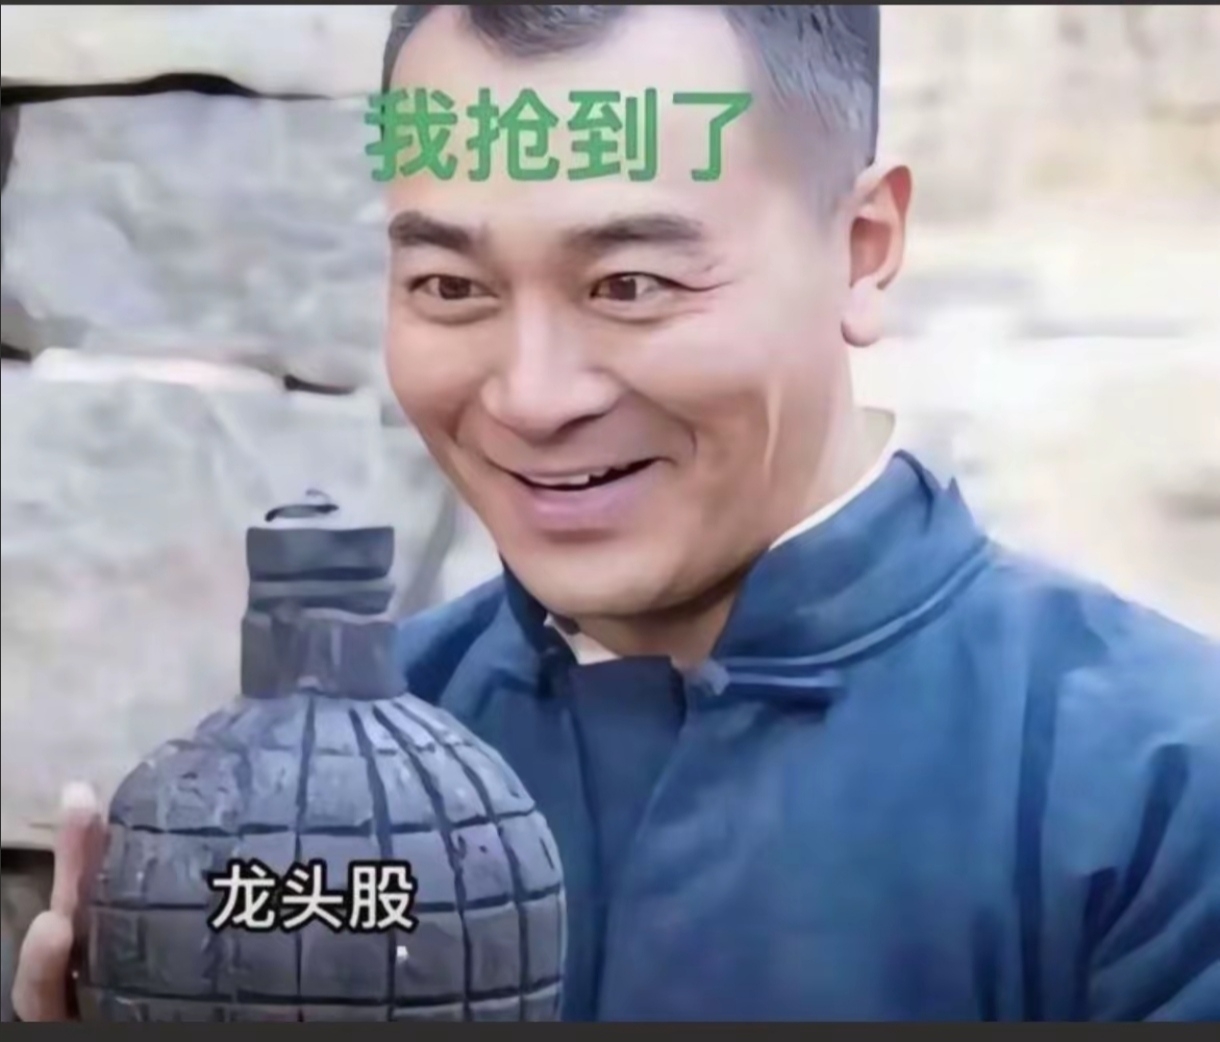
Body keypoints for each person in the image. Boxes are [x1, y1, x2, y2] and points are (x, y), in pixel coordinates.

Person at [12, 4, 1220, 1023]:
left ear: (859, 251)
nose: (531, 396)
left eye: (629, 283)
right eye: (449, 285)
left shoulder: (1154, 786)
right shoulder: (315, 799)